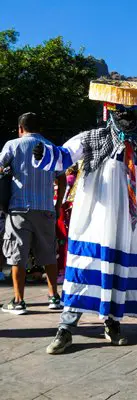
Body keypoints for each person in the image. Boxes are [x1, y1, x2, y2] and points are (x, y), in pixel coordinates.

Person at [32, 79, 137, 354]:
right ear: (111, 112)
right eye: (121, 111)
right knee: (85, 268)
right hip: (94, 221)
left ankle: (112, 323)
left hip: (126, 226)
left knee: (118, 271)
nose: (127, 117)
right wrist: (45, 153)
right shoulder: (91, 138)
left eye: (133, 112)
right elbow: (63, 157)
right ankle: (66, 327)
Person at [0, 112, 64, 315]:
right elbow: (61, 178)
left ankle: (19, 301)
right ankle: (54, 297)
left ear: (20, 128)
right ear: (40, 128)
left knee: (17, 254)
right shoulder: (51, 148)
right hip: (46, 208)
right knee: (48, 254)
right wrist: (58, 204)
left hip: (18, 208)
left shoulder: (12, 145)